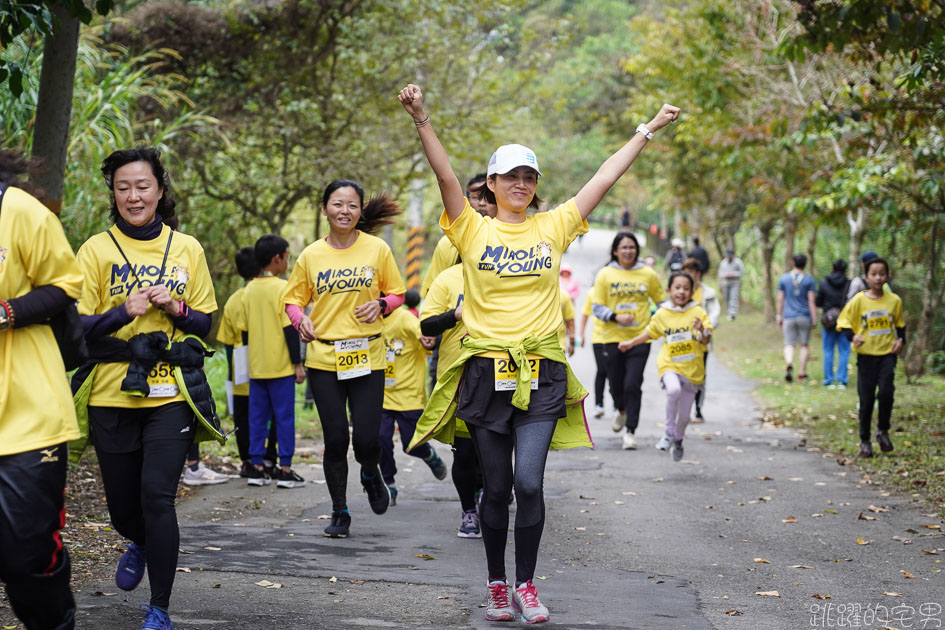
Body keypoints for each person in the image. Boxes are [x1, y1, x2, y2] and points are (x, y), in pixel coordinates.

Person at [399, 82, 678, 623]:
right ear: (494, 183)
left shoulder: (554, 227)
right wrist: (422, 118)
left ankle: (526, 584)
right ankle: (497, 583)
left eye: (529, 178)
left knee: (529, 482)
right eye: (511, 177)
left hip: (541, 370)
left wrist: (647, 130)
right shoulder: (471, 229)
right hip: (484, 372)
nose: (521, 185)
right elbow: (445, 177)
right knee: (496, 487)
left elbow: (604, 176)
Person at [75, 147, 221, 630]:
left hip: (170, 393)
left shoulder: (188, 248)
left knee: (157, 497)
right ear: (113, 193)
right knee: (122, 509)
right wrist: (123, 312)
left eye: (142, 186)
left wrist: (177, 309)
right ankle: (137, 540)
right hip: (112, 393)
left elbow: (206, 322)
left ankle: (159, 607)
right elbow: (76, 329)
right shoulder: (95, 250)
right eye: (123, 187)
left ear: (160, 189)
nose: (133, 196)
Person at [282, 179, 405, 538]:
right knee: (336, 438)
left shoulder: (377, 249)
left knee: (367, 441)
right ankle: (339, 511)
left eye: (352, 205)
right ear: (324, 209)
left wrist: (382, 304)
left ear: (360, 211)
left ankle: (370, 472)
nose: (344, 211)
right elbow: (292, 300)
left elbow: (396, 293)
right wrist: (299, 319)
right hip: (324, 357)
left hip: (368, 355)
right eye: (337, 204)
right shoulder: (311, 255)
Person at [0, 149, 84, 630]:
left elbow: (64, 285)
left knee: (25, 556)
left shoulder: (20, 211)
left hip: (28, 416)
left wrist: (7, 312)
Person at [618, 271, 712, 461]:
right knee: (673, 390)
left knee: (685, 417)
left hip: (693, 371)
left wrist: (702, 330)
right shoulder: (662, 314)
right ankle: (668, 433)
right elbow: (649, 334)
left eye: (686, 288)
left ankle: (678, 439)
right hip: (670, 365)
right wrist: (630, 343)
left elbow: (706, 340)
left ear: (692, 291)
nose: (681, 292)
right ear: (669, 290)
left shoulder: (698, 312)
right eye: (677, 287)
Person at [420, 261, 484, 539]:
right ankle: (469, 510)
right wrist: (455, 315)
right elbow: (427, 324)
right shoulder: (447, 278)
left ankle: (487, 496)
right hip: (457, 377)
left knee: (494, 451)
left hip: (500, 375)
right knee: (466, 451)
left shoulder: (506, 273)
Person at [591, 232, 665, 449]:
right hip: (612, 338)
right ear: (615, 250)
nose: (628, 251)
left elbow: (661, 303)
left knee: (633, 383)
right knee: (615, 385)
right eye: (623, 247)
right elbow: (597, 307)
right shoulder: (605, 274)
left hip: (640, 338)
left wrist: (663, 322)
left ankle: (630, 431)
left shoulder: (648, 274)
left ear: (637, 250)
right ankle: (620, 409)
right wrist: (616, 317)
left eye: (632, 247)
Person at [243, 234, 306, 488]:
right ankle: (286, 468)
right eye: (286, 256)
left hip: (256, 367)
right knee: (284, 418)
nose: (287, 261)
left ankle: (257, 467)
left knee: (257, 418)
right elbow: (290, 330)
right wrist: (297, 363)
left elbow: (246, 332)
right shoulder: (283, 288)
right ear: (276, 258)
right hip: (280, 367)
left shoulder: (248, 289)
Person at [215, 246, 278, 478]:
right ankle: (270, 459)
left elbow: (228, 343)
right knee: (272, 413)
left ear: (237, 270)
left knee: (243, 416)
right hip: (271, 363)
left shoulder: (234, 300)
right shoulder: (273, 291)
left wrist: (232, 375)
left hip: (242, 368)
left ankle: (248, 462)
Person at [837, 258, 905, 458]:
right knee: (866, 400)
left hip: (887, 355)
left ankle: (882, 430)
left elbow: (901, 325)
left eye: (882, 273)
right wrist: (853, 336)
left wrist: (901, 341)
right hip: (866, 357)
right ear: (866, 276)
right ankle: (865, 440)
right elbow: (844, 321)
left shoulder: (894, 301)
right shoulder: (858, 300)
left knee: (886, 393)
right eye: (873, 274)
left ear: (887, 276)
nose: (878, 277)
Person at [380, 303, 445, 506]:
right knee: (380, 439)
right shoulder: (370, 319)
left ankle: (429, 455)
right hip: (382, 395)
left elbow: (424, 334)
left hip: (409, 394)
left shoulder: (405, 317)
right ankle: (388, 484)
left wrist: (427, 340)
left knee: (411, 444)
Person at [419, 173, 497, 298]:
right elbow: (432, 290)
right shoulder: (447, 243)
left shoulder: (508, 240)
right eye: (476, 197)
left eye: (488, 197)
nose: (482, 203)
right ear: (466, 202)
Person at [681, 258, 720, 423]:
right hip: (681, 342)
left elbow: (714, 315)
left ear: (698, 274)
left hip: (701, 343)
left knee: (699, 377)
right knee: (682, 375)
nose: (688, 276)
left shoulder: (708, 293)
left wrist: (705, 328)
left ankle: (697, 408)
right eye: (685, 272)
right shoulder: (680, 292)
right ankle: (684, 409)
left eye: (691, 272)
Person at [776, 254, 817, 383]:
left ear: (793, 263)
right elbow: (811, 301)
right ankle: (801, 373)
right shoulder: (809, 280)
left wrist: (779, 315)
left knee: (789, 344)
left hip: (788, 316)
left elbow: (780, 299)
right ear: (805, 264)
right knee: (804, 345)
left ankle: (789, 363)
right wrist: (814, 317)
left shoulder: (784, 278)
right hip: (804, 316)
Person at [815, 259, 851, 390]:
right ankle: (842, 380)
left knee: (828, 350)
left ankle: (829, 380)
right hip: (845, 320)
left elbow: (818, 302)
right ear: (845, 270)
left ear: (832, 268)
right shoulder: (849, 283)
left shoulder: (824, 282)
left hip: (829, 321)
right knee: (844, 351)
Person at [578, 293, 609, 419]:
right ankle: (599, 404)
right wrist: (582, 334)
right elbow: (585, 314)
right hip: (598, 338)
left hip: (616, 338)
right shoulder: (592, 292)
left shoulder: (616, 286)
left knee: (614, 372)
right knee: (601, 370)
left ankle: (618, 404)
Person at [718, 248, 745, 320]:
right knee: (727, 297)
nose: (729, 257)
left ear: (733, 255)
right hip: (726, 282)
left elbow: (742, 272)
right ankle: (729, 312)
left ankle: (732, 314)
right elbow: (720, 273)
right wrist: (725, 275)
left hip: (735, 282)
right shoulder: (723, 263)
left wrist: (734, 274)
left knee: (733, 297)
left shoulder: (738, 262)